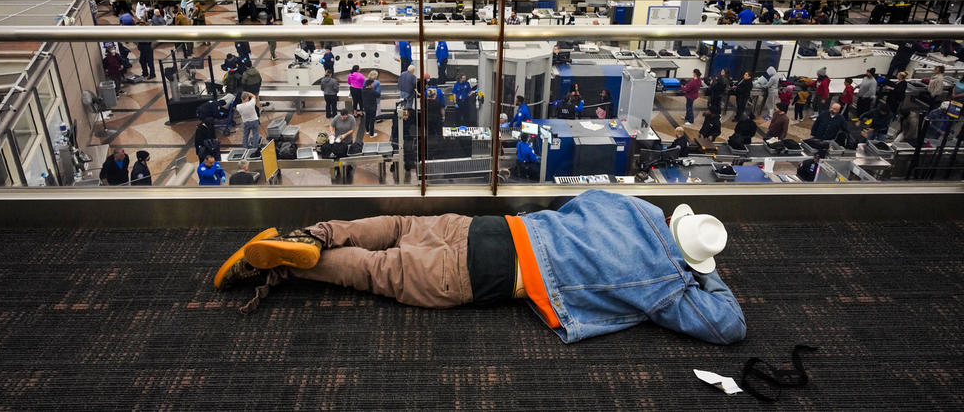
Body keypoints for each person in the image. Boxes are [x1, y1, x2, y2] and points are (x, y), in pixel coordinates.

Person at [213, 191, 747, 346]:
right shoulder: (667, 283)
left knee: (397, 225)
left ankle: (307, 238)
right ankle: (288, 269)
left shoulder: (634, 208)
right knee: (379, 273)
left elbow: (581, 203)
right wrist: (700, 270)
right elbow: (728, 325)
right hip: (483, 273)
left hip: (488, 227)